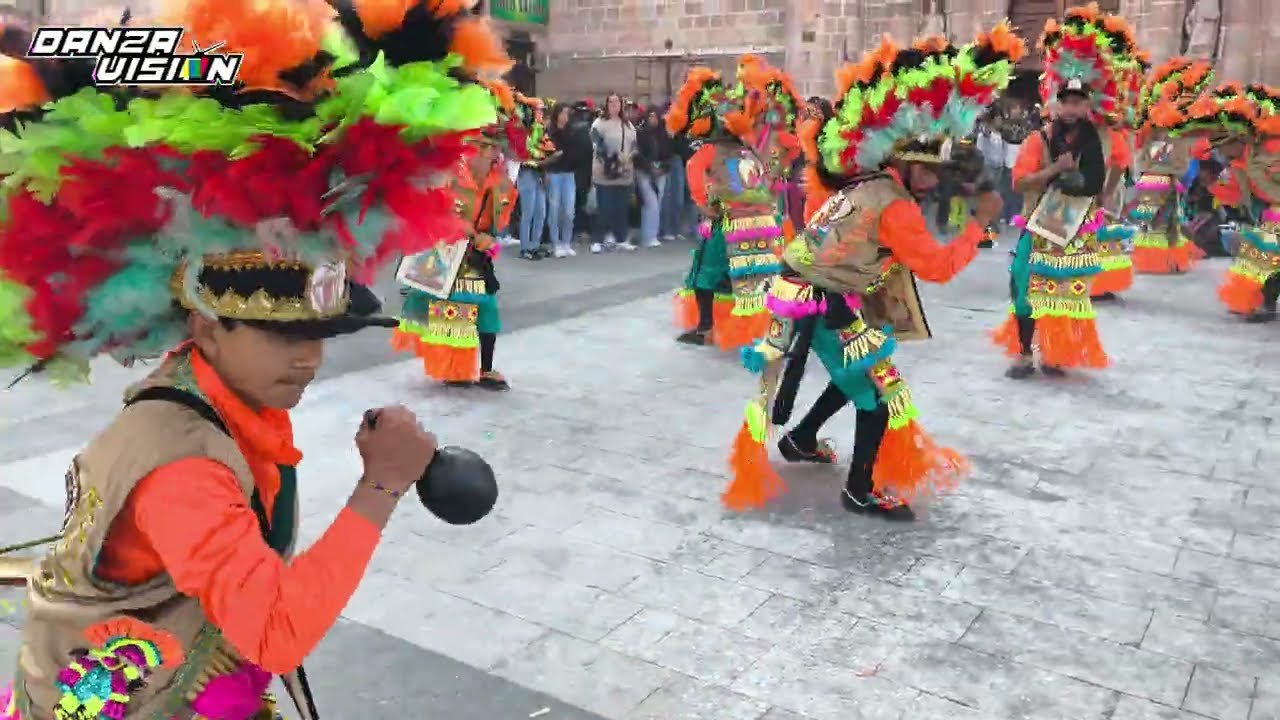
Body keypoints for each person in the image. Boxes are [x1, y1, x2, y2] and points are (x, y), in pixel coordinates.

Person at [0, 1, 508, 718]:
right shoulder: (182, 467)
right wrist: (382, 485)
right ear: (206, 329)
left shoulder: (216, 397)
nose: (307, 360)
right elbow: (274, 633)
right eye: (279, 335)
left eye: (318, 335)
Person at [722, 27, 1023, 520]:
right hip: (823, 300)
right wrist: (978, 226)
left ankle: (799, 439)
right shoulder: (896, 205)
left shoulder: (868, 182)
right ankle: (859, 490)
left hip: (804, 290)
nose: (932, 183)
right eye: (927, 173)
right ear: (905, 163)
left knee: (855, 377)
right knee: (880, 396)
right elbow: (937, 267)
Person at [991, 5, 1135, 379]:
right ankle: (1024, 354)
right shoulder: (1040, 138)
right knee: (1024, 287)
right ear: (1056, 103)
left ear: (1088, 104)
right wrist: (1055, 169)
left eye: (1078, 102)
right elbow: (1020, 182)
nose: (1071, 108)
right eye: (1066, 102)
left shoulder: (1103, 138)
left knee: (1066, 295)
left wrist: (1103, 195)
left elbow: (1119, 163)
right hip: (1040, 224)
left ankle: (1055, 353)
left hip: (1078, 229)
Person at [391, 80, 521, 390]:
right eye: (490, 149)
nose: (495, 156)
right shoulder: (450, 172)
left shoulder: (498, 179)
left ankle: (486, 368)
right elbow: (435, 208)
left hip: (477, 252)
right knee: (459, 307)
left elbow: (502, 213)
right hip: (448, 251)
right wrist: (466, 231)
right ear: (479, 148)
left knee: (487, 306)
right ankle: (456, 369)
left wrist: (488, 235)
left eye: (497, 150)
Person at [667, 56, 802, 349]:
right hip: (762, 225)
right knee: (758, 278)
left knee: (706, 274)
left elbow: (694, 174)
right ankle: (769, 331)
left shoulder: (712, 151)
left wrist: (704, 205)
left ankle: (705, 328)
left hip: (727, 223)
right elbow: (778, 170)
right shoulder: (755, 150)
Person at [1171, 83, 1280, 321]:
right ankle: (1261, 301)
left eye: (1223, 146)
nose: (1221, 153)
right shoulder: (1239, 162)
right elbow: (1234, 192)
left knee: (1265, 255)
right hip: (1269, 215)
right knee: (1260, 257)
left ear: (1238, 138)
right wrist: (1211, 185)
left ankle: (1263, 302)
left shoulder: (1272, 147)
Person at [1127, 58, 1215, 274]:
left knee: (1170, 221)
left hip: (1168, 174)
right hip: (1158, 175)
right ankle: (1155, 261)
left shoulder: (1176, 118)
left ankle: (1167, 259)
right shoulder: (1158, 117)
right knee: (1156, 221)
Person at [590, 92, 638, 252]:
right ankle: (597, 240)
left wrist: (629, 156)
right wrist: (614, 157)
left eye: (617, 102)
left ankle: (621, 238)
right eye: (611, 102)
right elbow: (597, 143)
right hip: (605, 171)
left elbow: (635, 145)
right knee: (605, 207)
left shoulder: (628, 124)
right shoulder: (599, 123)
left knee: (621, 208)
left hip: (624, 173)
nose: (614, 105)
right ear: (606, 105)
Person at [515, 93, 554, 261]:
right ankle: (525, 248)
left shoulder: (541, 127)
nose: (541, 114)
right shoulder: (524, 129)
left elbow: (547, 147)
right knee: (528, 212)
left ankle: (535, 245)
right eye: (538, 111)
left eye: (542, 111)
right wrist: (542, 155)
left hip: (539, 171)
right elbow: (527, 149)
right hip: (527, 171)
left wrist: (547, 159)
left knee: (541, 212)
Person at [546, 104, 585, 257]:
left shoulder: (572, 132)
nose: (564, 117)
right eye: (562, 113)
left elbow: (577, 152)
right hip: (555, 173)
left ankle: (566, 241)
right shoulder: (550, 132)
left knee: (569, 210)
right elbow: (545, 152)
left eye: (567, 114)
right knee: (555, 210)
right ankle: (556, 243)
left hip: (569, 173)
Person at [635, 107, 674, 247]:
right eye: (650, 116)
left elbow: (668, 154)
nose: (653, 119)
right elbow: (637, 154)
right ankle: (648, 236)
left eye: (655, 117)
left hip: (661, 172)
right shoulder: (640, 134)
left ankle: (652, 234)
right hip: (644, 171)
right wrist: (649, 168)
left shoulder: (663, 134)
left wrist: (662, 168)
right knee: (650, 203)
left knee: (657, 203)